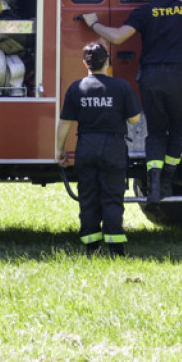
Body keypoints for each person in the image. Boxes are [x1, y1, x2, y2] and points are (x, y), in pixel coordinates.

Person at [81, 0, 182, 203]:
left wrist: (93, 24)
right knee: (178, 132)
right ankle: (167, 181)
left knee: (155, 133)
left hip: (152, 80)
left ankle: (153, 184)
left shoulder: (144, 12)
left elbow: (116, 37)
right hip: (179, 79)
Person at [57, 42, 142, 256]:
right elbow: (134, 119)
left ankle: (91, 247)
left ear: (84, 63)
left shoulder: (76, 88)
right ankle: (115, 249)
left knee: (88, 197)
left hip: (86, 146)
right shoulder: (121, 87)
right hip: (113, 147)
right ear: (107, 61)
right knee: (112, 196)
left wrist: (59, 150)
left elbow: (65, 122)